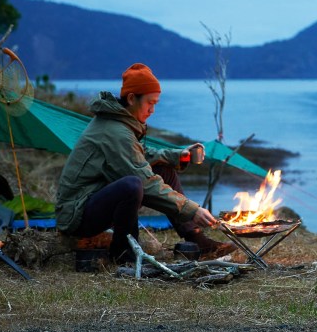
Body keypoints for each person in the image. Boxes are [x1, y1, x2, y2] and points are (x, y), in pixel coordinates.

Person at [55, 63, 234, 263]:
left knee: (163, 171)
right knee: (132, 185)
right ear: (132, 98)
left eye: (155, 103)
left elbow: (140, 154)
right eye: (150, 103)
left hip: (92, 200)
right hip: (76, 215)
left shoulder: (119, 123)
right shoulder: (115, 132)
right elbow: (145, 181)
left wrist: (178, 155)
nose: (152, 110)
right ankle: (124, 253)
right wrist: (192, 209)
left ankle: (197, 239)